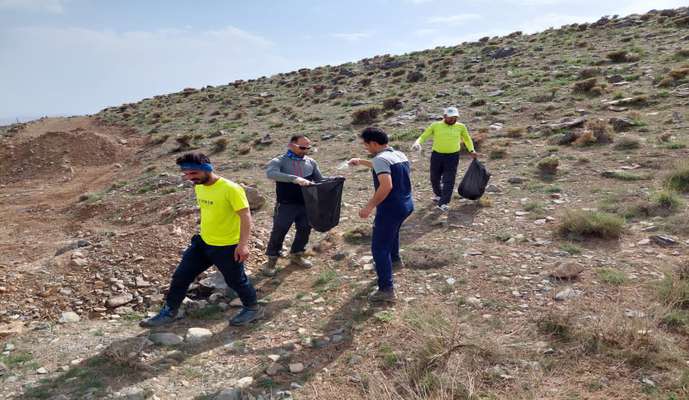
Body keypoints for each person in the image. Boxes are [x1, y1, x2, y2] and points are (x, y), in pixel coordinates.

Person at [140, 152, 262, 327]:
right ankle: (169, 311)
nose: (190, 178)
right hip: (203, 243)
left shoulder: (231, 189)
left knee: (236, 280)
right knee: (181, 276)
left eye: (193, 173)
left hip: (227, 246)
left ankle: (252, 309)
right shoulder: (199, 186)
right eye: (186, 174)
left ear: (207, 169)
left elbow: (245, 216)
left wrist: (243, 245)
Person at [348, 127, 414, 303]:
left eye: (366, 145)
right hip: (406, 205)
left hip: (391, 208)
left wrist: (369, 207)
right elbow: (384, 167)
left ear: (374, 143)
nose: (366, 148)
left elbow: (386, 186)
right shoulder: (399, 155)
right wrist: (361, 161)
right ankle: (395, 261)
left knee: (379, 247)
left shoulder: (380, 159)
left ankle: (386, 290)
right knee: (393, 234)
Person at [262, 134, 323, 276]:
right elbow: (271, 173)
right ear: (291, 145)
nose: (305, 150)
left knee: (304, 229)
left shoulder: (311, 162)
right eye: (302, 147)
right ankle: (271, 261)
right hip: (286, 204)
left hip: (306, 204)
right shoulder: (279, 161)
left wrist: (335, 180)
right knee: (279, 230)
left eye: (308, 147)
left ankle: (297, 255)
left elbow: (320, 180)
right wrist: (294, 179)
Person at [411, 106, 477, 212]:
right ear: (444, 116)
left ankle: (444, 202)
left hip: (453, 156)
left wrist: (472, 150)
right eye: (450, 117)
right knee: (434, 178)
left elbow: (467, 139)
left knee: (449, 180)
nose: (453, 119)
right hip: (437, 156)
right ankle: (439, 194)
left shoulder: (461, 127)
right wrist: (417, 143)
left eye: (455, 117)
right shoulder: (435, 125)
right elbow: (424, 136)